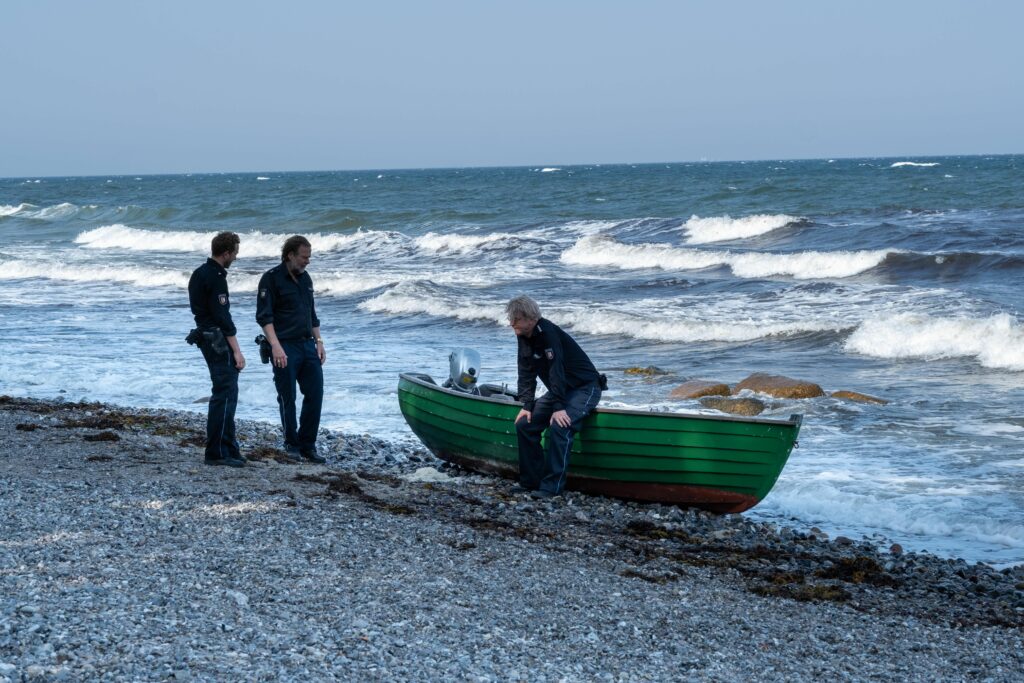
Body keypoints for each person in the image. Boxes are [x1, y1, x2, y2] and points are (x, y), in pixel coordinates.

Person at [508, 295, 603, 499]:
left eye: (516, 319)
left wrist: (559, 407)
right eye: (511, 318)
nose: (511, 323)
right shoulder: (523, 334)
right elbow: (525, 370)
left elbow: (555, 371)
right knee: (525, 424)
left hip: (585, 387)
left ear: (531, 318)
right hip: (560, 390)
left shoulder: (548, 333)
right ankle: (530, 482)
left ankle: (552, 487)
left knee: (561, 425)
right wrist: (526, 404)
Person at [256, 235, 327, 463]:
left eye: (309, 257)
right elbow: (264, 317)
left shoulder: (306, 279)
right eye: (304, 257)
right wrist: (275, 347)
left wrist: (319, 342)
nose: (307, 261)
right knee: (288, 398)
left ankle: (308, 445)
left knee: (315, 394)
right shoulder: (271, 279)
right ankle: (291, 444)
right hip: (284, 346)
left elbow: (312, 314)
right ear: (290, 255)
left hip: (308, 345)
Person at [188, 231, 246, 467]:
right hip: (216, 339)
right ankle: (217, 452)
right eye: (235, 253)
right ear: (226, 253)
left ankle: (229, 447)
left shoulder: (199, 273)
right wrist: (237, 351)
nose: (235, 258)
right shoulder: (216, 277)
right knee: (225, 392)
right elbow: (223, 317)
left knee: (226, 391)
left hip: (203, 334)